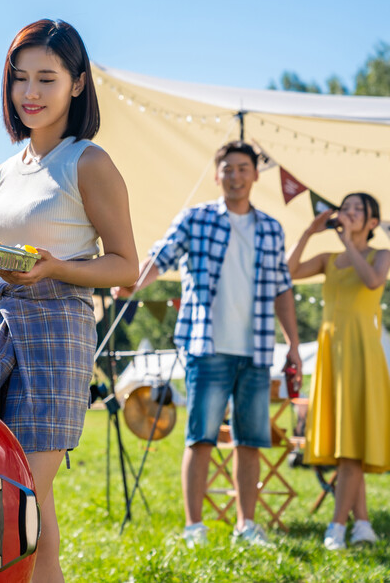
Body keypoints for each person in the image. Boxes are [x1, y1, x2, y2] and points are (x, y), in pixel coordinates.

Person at [0, 19, 137, 583]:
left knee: (21, 489)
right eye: (20, 78)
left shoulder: (88, 162)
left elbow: (126, 266)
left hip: (57, 332)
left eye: (47, 78)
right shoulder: (0, 175)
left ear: (77, 83)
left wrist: (55, 267)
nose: (30, 93)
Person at [114, 141, 302, 549]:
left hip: (255, 351)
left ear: (254, 175)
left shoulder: (271, 228)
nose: (235, 176)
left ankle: (246, 526)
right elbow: (159, 257)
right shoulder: (195, 219)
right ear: (217, 175)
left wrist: (292, 345)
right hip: (206, 347)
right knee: (200, 437)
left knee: (251, 440)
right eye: (227, 169)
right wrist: (131, 281)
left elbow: (282, 290)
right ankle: (194, 528)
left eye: (242, 169)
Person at [287, 193, 390, 550]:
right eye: (347, 207)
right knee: (347, 443)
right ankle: (364, 526)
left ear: (372, 223)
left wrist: (347, 243)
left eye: (359, 210)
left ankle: (337, 527)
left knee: (351, 445)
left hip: (361, 353)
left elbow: (372, 281)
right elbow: (288, 272)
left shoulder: (380, 255)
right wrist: (309, 233)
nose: (350, 213)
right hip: (331, 353)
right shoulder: (328, 259)